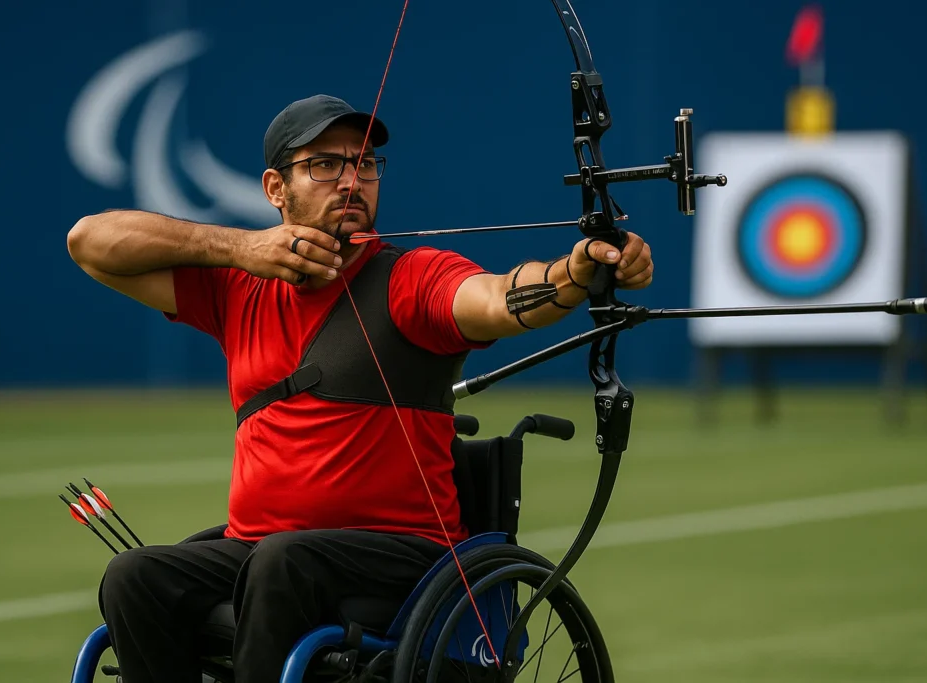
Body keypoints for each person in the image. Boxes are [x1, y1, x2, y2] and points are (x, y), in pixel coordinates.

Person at [66, 93, 654, 683]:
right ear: (276, 188)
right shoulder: (235, 289)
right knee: (134, 576)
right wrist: (242, 248)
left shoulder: (411, 278)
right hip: (261, 548)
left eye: (364, 164)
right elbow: (90, 243)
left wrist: (575, 274)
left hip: (399, 556)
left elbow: (499, 299)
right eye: (325, 164)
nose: (351, 180)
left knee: (282, 561)